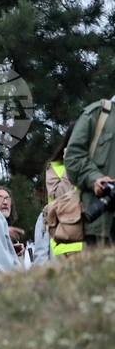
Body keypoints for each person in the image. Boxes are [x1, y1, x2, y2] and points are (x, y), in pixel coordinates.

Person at [64, 97, 115, 244]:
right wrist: (95, 179)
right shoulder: (98, 113)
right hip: (103, 222)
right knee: (101, 266)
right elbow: (73, 157)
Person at [42, 126, 79, 259]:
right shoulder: (55, 167)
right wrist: (70, 163)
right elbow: (60, 196)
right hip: (68, 243)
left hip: (96, 240)